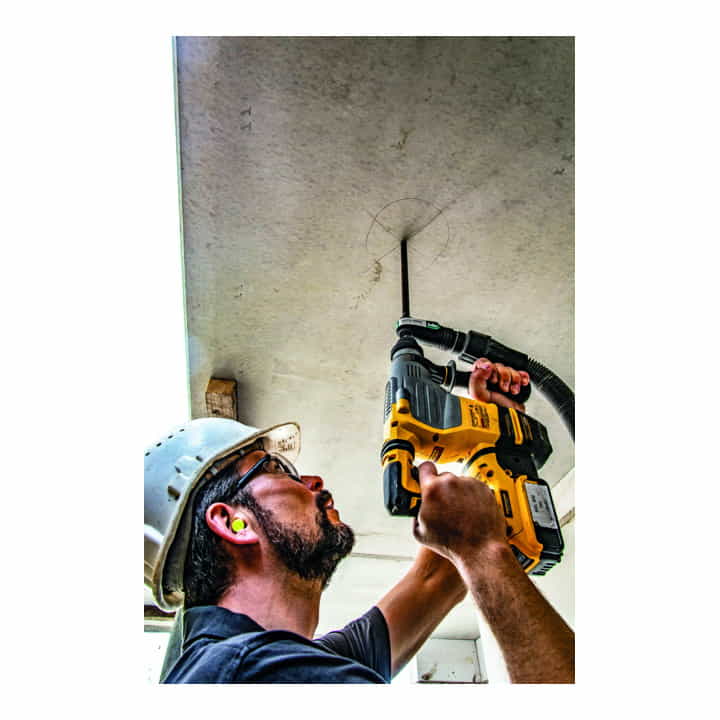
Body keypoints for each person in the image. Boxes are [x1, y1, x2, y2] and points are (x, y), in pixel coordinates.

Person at [144, 358, 574, 683]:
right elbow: (473, 549)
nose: (313, 481)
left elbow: (437, 576)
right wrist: (484, 552)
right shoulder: (259, 675)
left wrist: (493, 440)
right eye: (275, 469)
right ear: (232, 522)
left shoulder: (283, 666)